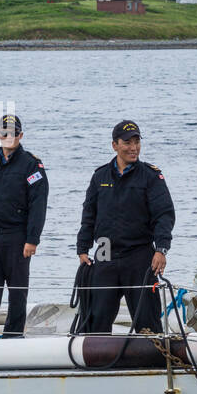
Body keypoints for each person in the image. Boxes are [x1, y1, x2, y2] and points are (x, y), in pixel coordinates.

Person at [76, 119, 175, 333]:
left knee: (146, 318)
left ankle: (152, 357)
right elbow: (89, 214)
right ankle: (95, 359)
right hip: (105, 251)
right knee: (96, 315)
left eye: (137, 142)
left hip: (139, 254)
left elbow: (164, 215)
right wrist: (82, 249)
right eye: (127, 143)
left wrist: (161, 249)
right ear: (115, 145)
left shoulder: (151, 176)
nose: (133, 148)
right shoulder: (99, 176)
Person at [0, 114, 48, 338]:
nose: (7, 137)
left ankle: (13, 337)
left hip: (18, 238)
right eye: (4, 133)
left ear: (20, 136)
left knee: (17, 292)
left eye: (12, 133)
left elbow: (38, 205)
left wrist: (32, 239)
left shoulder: (32, 165)